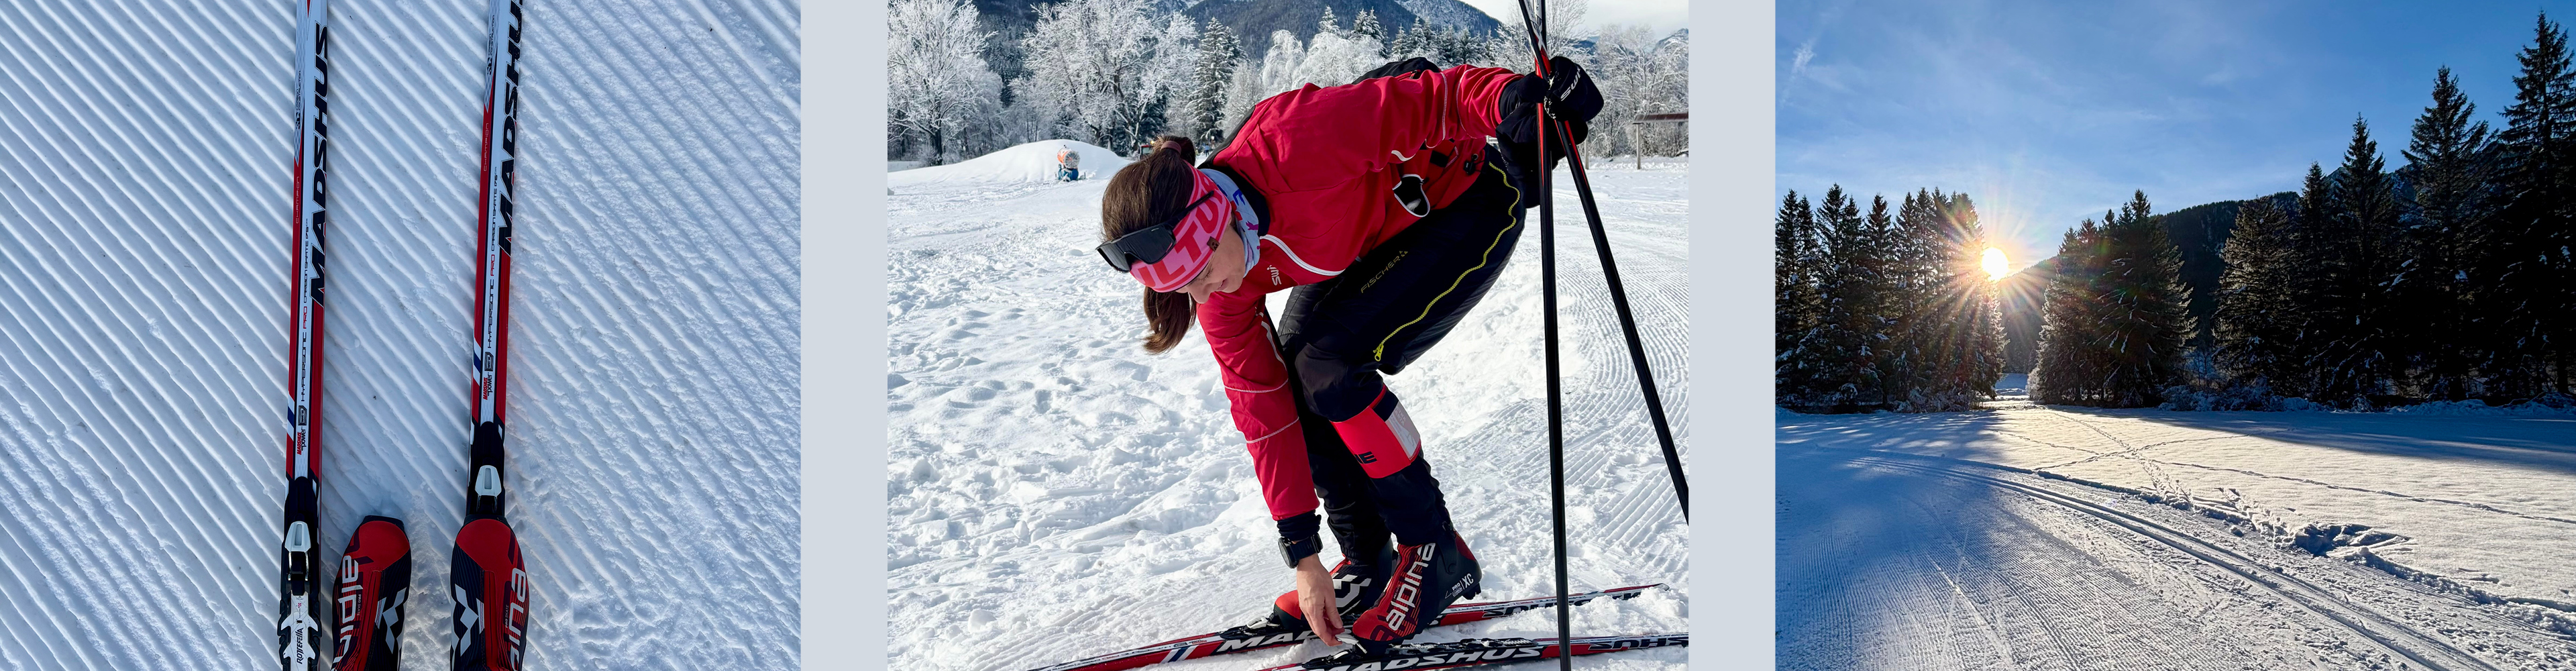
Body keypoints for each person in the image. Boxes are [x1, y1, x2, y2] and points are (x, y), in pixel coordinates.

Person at [1091, 57, 1601, 655]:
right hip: (1370, 237)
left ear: (1218, 217)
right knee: (1292, 380)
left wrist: (1513, 99)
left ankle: (1432, 549)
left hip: (1468, 203)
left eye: (1202, 275)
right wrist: (1303, 557)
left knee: (1327, 370)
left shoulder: (1292, 142)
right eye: (1184, 290)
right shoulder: (1221, 290)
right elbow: (1265, 417)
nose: (1205, 298)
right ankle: (1368, 560)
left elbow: (1440, 99)